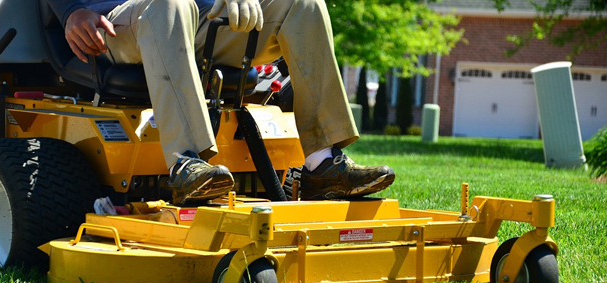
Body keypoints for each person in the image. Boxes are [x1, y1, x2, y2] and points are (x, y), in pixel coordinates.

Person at [47, 0, 395, 203]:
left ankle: (323, 165)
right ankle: (187, 164)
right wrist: (70, 11)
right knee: (170, 5)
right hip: (114, 23)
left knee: (303, 4)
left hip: (198, 17)